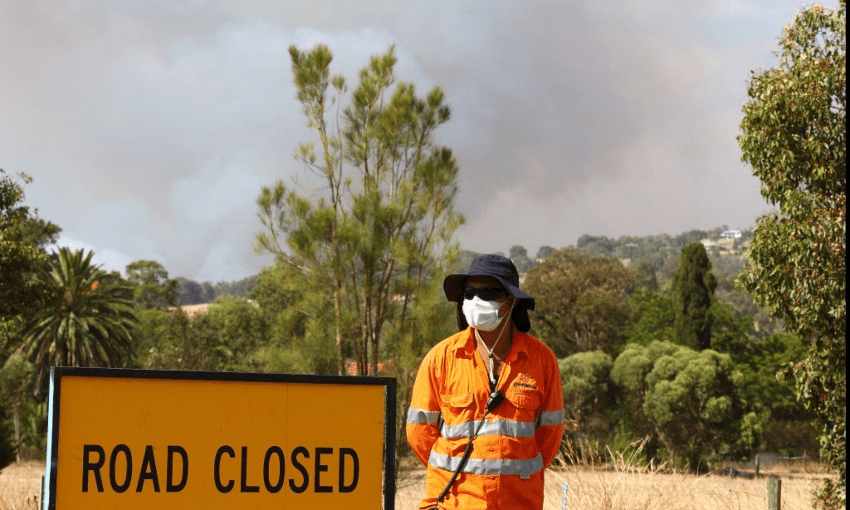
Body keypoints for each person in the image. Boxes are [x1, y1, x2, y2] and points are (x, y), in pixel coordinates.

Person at [407, 254, 565, 509]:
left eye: (489, 293)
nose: (476, 301)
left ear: (511, 301)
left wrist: (514, 474)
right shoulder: (440, 358)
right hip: (453, 503)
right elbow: (419, 434)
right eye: (469, 293)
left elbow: (550, 436)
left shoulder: (542, 360)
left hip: (520, 503)